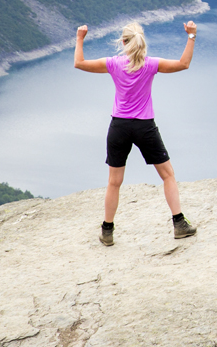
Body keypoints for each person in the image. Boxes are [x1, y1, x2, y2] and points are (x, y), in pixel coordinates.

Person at [74, 20, 197, 246]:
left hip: (119, 127)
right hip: (144, 127)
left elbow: (79, 63)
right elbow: (183, 64)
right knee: (168, 175)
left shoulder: (113, 64)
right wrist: (191, 36)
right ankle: (179, 224)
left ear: (123, 42)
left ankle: (107, 231)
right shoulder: (150, 64)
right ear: (142, 43)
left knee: (114, 181)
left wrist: (80, 38)